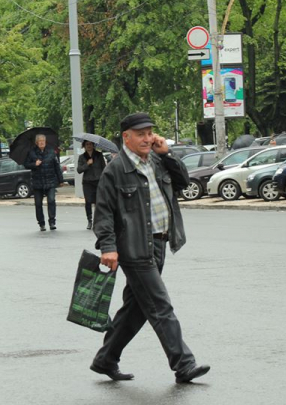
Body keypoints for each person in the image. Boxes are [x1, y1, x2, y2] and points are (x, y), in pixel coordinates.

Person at [90, 112, 209, 384]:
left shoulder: (156, 160)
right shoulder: (115, 170)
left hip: (160, 243)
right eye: (140, 134)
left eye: (149, 133)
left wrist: (167, 154)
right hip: (134, 248)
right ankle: (184, 364)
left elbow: (183, 182)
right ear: (126, 137)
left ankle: (105, 359)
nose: (147, 138)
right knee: (159, 305)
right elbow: (104, 214)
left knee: (137, 308)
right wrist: (108, 247)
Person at [24, 134, 63, 231]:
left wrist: (61, 180)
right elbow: (26, 165)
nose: (42, 142)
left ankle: (52, 221)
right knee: (38, 204)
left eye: (43, 141)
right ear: (36, 143)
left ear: (45, 142)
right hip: (37, 182)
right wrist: (34, 164)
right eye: (40, 141)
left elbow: (57, 166)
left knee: (51, 200)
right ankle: (41, 223)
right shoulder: (32, 152)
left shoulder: (51, 151)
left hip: (50, 181)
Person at [76, 141, 107, 230]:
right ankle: (89, 220)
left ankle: (98, 220)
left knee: (98, 201)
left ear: (93, 145)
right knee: (88, 201)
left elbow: (104, 168)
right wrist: (87, 164)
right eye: (87, 144)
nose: (89, 146)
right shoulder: (82, 157)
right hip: (87, 182)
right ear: (84, 146)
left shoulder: (99, 155)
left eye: (90, 144)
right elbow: (79, 170)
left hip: (98, 181)